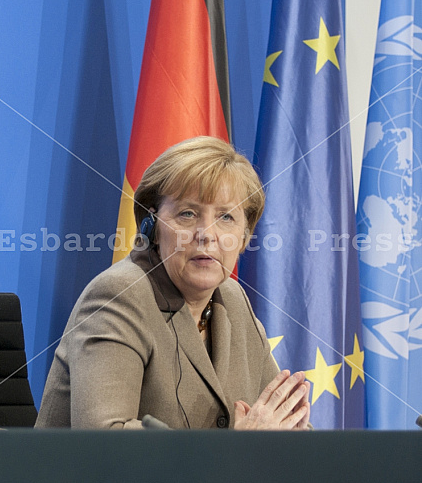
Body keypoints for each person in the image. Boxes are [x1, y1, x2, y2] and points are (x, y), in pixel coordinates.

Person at [35, 137, 311, 430]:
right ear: (152, 227)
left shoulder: (232, 297)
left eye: (226, 217)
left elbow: (284, 427)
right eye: (187, 214)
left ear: (244, 236)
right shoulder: (119, 296)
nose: (207, 234)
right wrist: (235, 452)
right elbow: (105, 442)